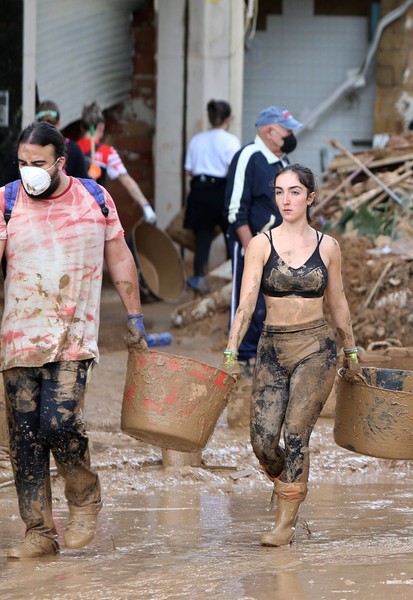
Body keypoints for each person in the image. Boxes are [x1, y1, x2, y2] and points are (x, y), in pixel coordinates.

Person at [2, 123, 149, 559]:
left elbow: (120, 256)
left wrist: (136, 316)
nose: (30, 171)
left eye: (39, 163)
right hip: (18, 338)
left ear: (60, 161)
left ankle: (84, 498)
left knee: (59, 423)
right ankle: (39, 533)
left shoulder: (95, 198)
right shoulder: (7, 200)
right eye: (23, 163)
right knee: (23, 438)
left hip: (72, 337)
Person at [223, 164, 358, 547]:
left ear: (310, 197)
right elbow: (247, 301)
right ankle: (287, 482)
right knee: (263, 442)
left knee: (296, 433)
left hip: (316, 347)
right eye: (280, 192)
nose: (286, 199)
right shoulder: (261, 244)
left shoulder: (328, 246)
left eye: (295, 191)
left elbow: (338, 301)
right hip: (272, 348)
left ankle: (286, 522)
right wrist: (232, 350)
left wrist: (352, 350)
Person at [225, 106, 301, 376]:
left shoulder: (283, 162)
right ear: (270, 132)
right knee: (247, 298)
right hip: (251, 243)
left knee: (273, 302)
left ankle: (263, 356)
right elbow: (236, 210)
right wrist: (251, 250)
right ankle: (241, 357)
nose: (291, 135)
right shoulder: (249, 156)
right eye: (287, 130)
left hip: (277, 246)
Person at [184, 99, 241, 295]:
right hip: (222, 191)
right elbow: (231, 170)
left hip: (199, 192)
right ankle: (233, 281)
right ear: (228, 119)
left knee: (203, 240)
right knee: (231, 236)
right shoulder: (231, 141)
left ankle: (199, 281)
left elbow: (188, 171)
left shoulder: (196, 139)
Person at [77, 101, 157, 224]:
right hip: (95, 211)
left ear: (82, 127)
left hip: (73, 209)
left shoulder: (70, 148)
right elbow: (127, 181)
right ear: (101, 126)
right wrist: (145, 205)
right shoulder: (107, 152)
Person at [34, 101, 89, 179]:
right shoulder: (73, 149)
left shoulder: (26, 150)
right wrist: (93, 174)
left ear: (36, 122)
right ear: (59, 121)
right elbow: (83, 183)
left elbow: (13, 183)